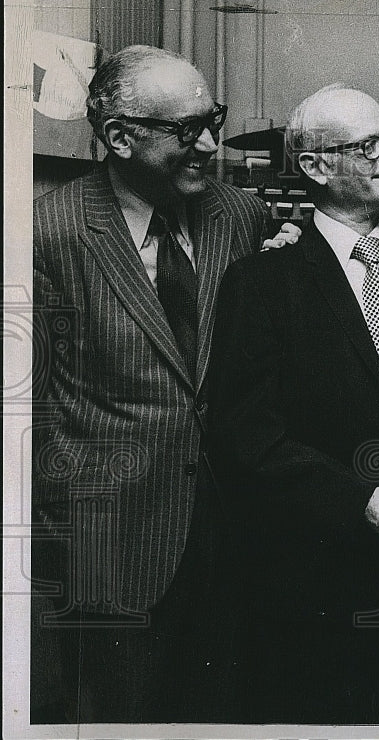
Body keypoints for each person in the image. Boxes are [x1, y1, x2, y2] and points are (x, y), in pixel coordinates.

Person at [31, 44, 282, 722]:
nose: (210, 143)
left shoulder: (243, 216)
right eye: (186, 130)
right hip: (113, 553)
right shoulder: (48, 234)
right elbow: (33, 417)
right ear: (119, 136)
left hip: (231, 541)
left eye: (213, 120)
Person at [206, 84, 379, 723]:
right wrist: (356, 500)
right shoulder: (263, 282)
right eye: (367, 145)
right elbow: (246, 436)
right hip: (313, 583)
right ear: (316, 167)